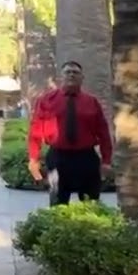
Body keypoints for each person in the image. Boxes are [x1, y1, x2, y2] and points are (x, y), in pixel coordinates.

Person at [26, 60, 114, 204]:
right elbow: (35, 131)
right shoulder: (46, 100)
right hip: (58, 158)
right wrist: (33, 158)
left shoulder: (91, 102)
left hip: (86, 158)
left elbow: (103, 132)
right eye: (68, 72)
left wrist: (106, 161)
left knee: (90, 202)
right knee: (57, 202)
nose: (71, 75)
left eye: (75, 72)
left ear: (82, 77)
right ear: (61, 77)